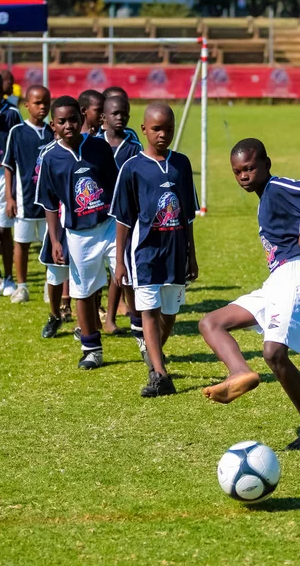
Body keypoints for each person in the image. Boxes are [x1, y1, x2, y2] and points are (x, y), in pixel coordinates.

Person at [199, 138, 300, 450]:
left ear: (266, 165)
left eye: (249, 168)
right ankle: (239, 372)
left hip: (296, 273)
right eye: (237, 172)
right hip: (279, 279)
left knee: (274, 353)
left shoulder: (277, 188)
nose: (244, 175)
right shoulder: (267, 199)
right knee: (210, 323)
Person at [111, 102, 199, 397]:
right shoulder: (132, 168)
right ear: (145, 129)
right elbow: (123, 219)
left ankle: (154, 354)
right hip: (144, 252)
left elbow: (187, 215)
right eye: (157, 129)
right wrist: (121, 260)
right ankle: (160, 374)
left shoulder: (182, 164)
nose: (163, 134)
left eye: (169, 128)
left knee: (170, 311)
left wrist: (192, 254)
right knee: (148, 310)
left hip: (175, 251)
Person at [35, 96, 119, 368]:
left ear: (82, 119)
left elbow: (116, 186)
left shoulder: (99, 147)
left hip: (108, 226)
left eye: (73, 119)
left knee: (127, 276)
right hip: (77, 233)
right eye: (62, 121)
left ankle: (143, 338)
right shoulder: (50, 157)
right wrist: (56, 239)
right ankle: (91, 348)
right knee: (83, 291)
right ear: (53, 125)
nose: (69, 125)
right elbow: (49, 203)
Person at [96, 94, 142, 336]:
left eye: (124, 113)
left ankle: (113, 319)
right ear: (104, 117)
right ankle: (92, 317)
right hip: (95, 215)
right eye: (115, 113)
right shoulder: (93, 144)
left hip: (122, 217)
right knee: (94, 270)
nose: (120, 117)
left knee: (119, 267)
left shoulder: (134, 147)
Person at [3, 85, 54, 303]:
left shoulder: (54, 131)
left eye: (46, 103)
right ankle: (22, 286)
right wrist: (9, 196)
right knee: (21, 243)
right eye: (37, 103)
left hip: (49, 202)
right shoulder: (17, 132)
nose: (42, 107)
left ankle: (48, 284)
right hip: (24, 200)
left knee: (49, 243)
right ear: (27, 105)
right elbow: (9, 166)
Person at [0, 71, 22, 297]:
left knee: (5, 229)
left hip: (3, 175)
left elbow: (21, 140)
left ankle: (10, 277)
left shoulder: (11, 113)